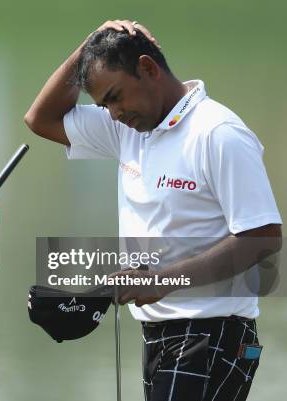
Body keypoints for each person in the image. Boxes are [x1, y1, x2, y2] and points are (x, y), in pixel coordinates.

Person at [25, 19, 282, 401]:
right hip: (160, 334)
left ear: (148, 68)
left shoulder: (219, 133)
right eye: (102, 105)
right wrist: (91, 44)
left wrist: (163, 279)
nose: (112, 113)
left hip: (216, 332)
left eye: (114, 97)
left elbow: (262, 239)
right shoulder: (128, 129)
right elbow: (40, 119)